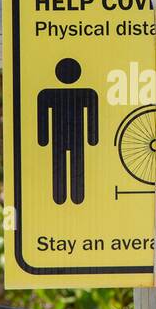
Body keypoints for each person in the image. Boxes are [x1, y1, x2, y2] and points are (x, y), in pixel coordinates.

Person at [37, 57, 98, 204]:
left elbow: (92, 116)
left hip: (64, 137)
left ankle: (64, 197)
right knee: (72, 166)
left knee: (64, 166)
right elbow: (43, 117)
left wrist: (43, 139)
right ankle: (70, 197)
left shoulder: (47, 94)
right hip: (73, 138)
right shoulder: (87, 93)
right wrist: (92, 138)